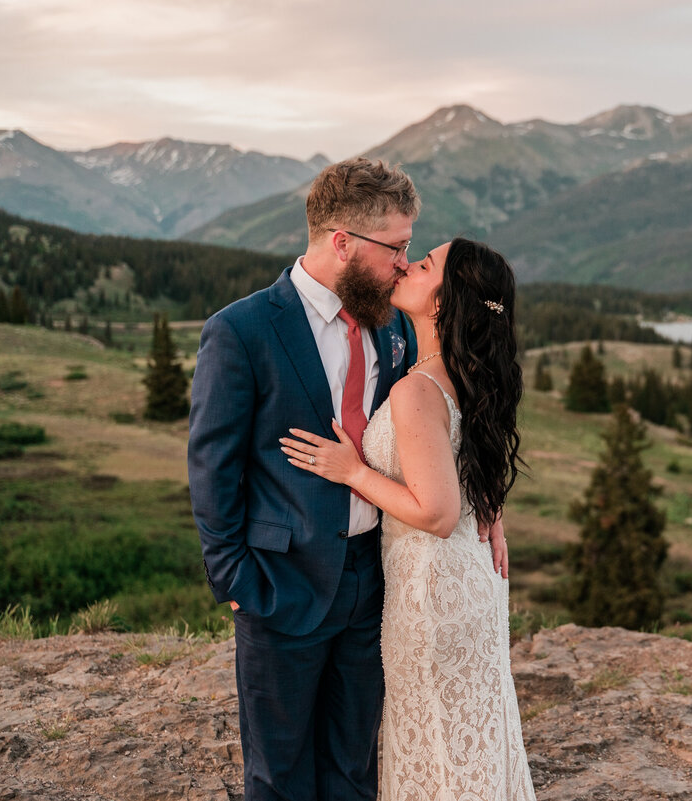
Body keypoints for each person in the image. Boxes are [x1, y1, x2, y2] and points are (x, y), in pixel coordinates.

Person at [189, 158, 498, 801]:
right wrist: (234, 579)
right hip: (281, 584)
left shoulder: (393, 327)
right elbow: (213, 467)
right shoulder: (241, 331)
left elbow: (448, 420)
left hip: (375, 583)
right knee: (280, 776)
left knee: (356, 769)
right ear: (343, 243)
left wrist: (490, 507)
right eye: (397, 247)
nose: (403, 264)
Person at [279, 237, 536, 800]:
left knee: (438, 747)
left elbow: (438, 513)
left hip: (432, 588)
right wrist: (490, 508)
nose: (406, 265)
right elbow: (467, 461)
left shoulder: (418, 387)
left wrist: (352, 471)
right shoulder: (463, 374)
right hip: (469, 582)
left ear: (443, 303)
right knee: (470, 740)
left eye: (424, 266)